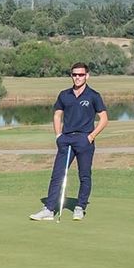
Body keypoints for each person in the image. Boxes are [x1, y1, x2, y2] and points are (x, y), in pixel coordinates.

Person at [31, 63, 108, 221]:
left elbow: (104, 119)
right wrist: (58, 135)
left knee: (84, 175)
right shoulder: (64, 95)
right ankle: (49, 209)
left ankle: (80, 207)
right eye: (75, 74)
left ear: (87, 76)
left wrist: (91, 136)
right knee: (57, 175)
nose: (77, 77)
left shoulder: (93, 95)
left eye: (81, 74)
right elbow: (57, 115)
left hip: (84, 139)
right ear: (71, 76)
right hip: (66, 139)